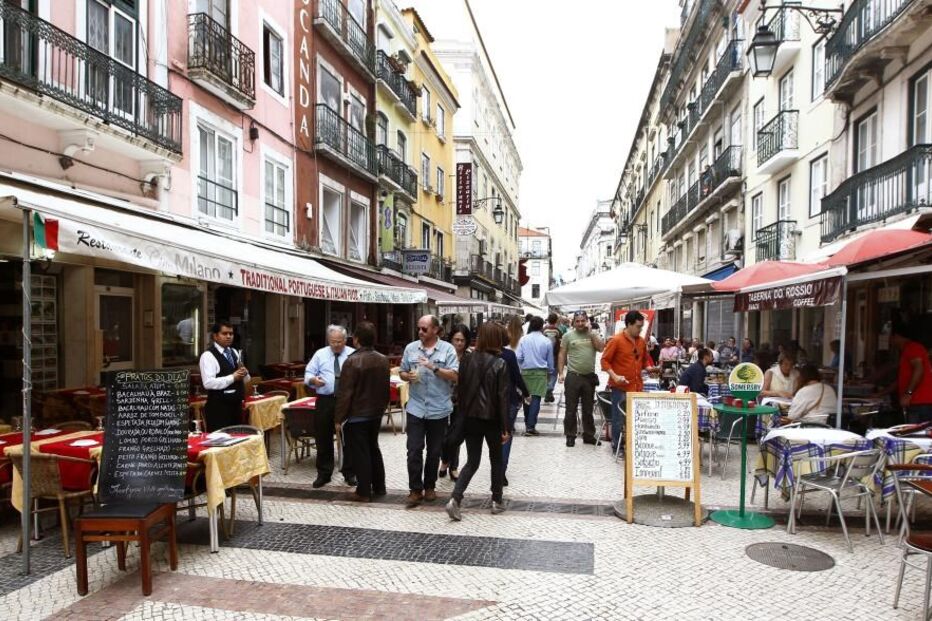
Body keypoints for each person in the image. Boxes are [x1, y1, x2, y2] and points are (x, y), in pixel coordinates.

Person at [445, 323, 510, 521]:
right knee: (496, 460)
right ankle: (497, 501)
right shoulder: (500, 364)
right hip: (491, 420)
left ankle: (455, 500)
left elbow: (460, 390)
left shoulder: (466, 359)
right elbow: (502, 398)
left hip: (470, 418)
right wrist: (505, 427)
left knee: (472, 461)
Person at [399, 315, 459, 507]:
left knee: (434, 452)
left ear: (435, 330)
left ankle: (430, 486)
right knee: (414, 450)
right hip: (416, 407)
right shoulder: (411, 348)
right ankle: (415, 490)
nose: (420, 332)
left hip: (438, 409)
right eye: (419, 328)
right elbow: (401, 370)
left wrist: (433, 367)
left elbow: (455, 376)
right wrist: (406, 376)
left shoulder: (448, 349)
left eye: (424, 329)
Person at [334, 321, 389, 502]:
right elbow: (385, 389)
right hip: (376, 413)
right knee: (373, 447)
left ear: (356, 339)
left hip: (358, 414)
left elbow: (345, 393)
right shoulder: (383, 359)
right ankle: (379, 486)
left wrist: (338, 418)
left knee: (361, 452)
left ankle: (363, 491)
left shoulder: (352, 361)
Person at [305, 325, 356, 489]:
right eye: (333, 342)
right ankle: (324, 473)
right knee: (323, 436)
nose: (336, 345)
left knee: (349, 436)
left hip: (346, 400)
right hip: (325, 399)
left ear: (345, 340)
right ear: (328, 340)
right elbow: (308, 374)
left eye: (339, 342)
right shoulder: (320, 354)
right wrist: (313, 381)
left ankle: (350, 473)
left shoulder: (352, 354)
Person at [601, 311, 652, 454]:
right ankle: (617, 446)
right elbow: (604, 361)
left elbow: (642, 361)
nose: (640, 330)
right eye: (638, 326)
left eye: (642, 327)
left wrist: (649, 368)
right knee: (618, 418)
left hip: (637, 387)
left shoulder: (641, 342)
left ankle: (631, 444)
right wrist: (615, 375)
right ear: (629, 324)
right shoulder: (616, 340)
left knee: (635, 418)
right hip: (620, 387)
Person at [557, 310, 604, 447]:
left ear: (587, 321)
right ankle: (570, 435)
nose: (580, 323)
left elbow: (601, 348)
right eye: (577, 321)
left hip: (589, 377)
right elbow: (561, 355)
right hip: (573, 376)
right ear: (573, 322)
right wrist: (561, 373)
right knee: (570, 408)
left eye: (583, 320)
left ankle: (589, 435)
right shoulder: (567, 336)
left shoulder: (593, 335)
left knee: (588, 409)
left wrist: (592, 333)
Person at [199, 321, 250, 432]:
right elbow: (208, 383)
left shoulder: (234, 352)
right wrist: (233, 377)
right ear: (215, 336)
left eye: (231, 334)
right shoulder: (208, 356)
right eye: (224, 333)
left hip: (236, 407)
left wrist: (245, 373)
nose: (228, 336)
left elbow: (245, 380)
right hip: (219, 409)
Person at [499, 323, 530, 486]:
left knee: (493, 436)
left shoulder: (481, 354)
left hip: (488, 403)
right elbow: (517, 377)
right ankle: (500, 471)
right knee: (506, 435)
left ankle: (496, 468)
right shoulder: (509, 355)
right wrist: (526, 393)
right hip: (509, 400)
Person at [439, 325, 471, 481]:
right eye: (456, 340)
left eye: (462, 340)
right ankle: (445, 459)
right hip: (443, 398)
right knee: (443, 435)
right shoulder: (443, 354)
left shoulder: (469, 357)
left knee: (455, 436)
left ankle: (453, 466)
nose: (459, 343)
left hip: (461, 401)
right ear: (450, 339)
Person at [516, 316, 554, 436]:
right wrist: (550, 371)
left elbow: (519, 357)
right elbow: (550, 360)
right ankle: (530, 427)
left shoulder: (523, 339)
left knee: (527, 398)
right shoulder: (546, 341)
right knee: (536, 399)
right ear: (542, 326)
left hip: (526, 372)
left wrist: (524, 364)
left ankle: (528, 422)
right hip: (540, 373)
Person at [890, 323, 932, 423]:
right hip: (918, 402)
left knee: (915, 435)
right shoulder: (907, 350)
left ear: (896, 336)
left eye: (891, 337)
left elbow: (919, 368)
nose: (890, 340)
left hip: (920, 402)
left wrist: (908, 393)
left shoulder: (912, 348)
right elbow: (900, 380)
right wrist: (882, 393)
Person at [542, 313, 563, 403]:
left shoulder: (543, 330)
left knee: (546, 375)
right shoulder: (558, 330)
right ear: (556, 320)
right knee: (554, 374)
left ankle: (548, 392)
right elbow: (561, 344)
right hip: (555, 356)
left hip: (544, 356)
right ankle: (549, 390)